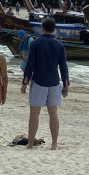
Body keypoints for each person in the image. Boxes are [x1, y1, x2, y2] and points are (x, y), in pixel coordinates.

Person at [21, 17, 69, 150]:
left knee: (34, 114)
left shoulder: (36, 43)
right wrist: (65, 86)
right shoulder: (59, 45)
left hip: (38, 81)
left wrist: (25, 82)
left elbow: (30, 64)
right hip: (54, 82)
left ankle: (30, 143)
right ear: (54, 29)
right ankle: (54, 144)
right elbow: (64, 67)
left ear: (42, 28)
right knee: (53, 113)